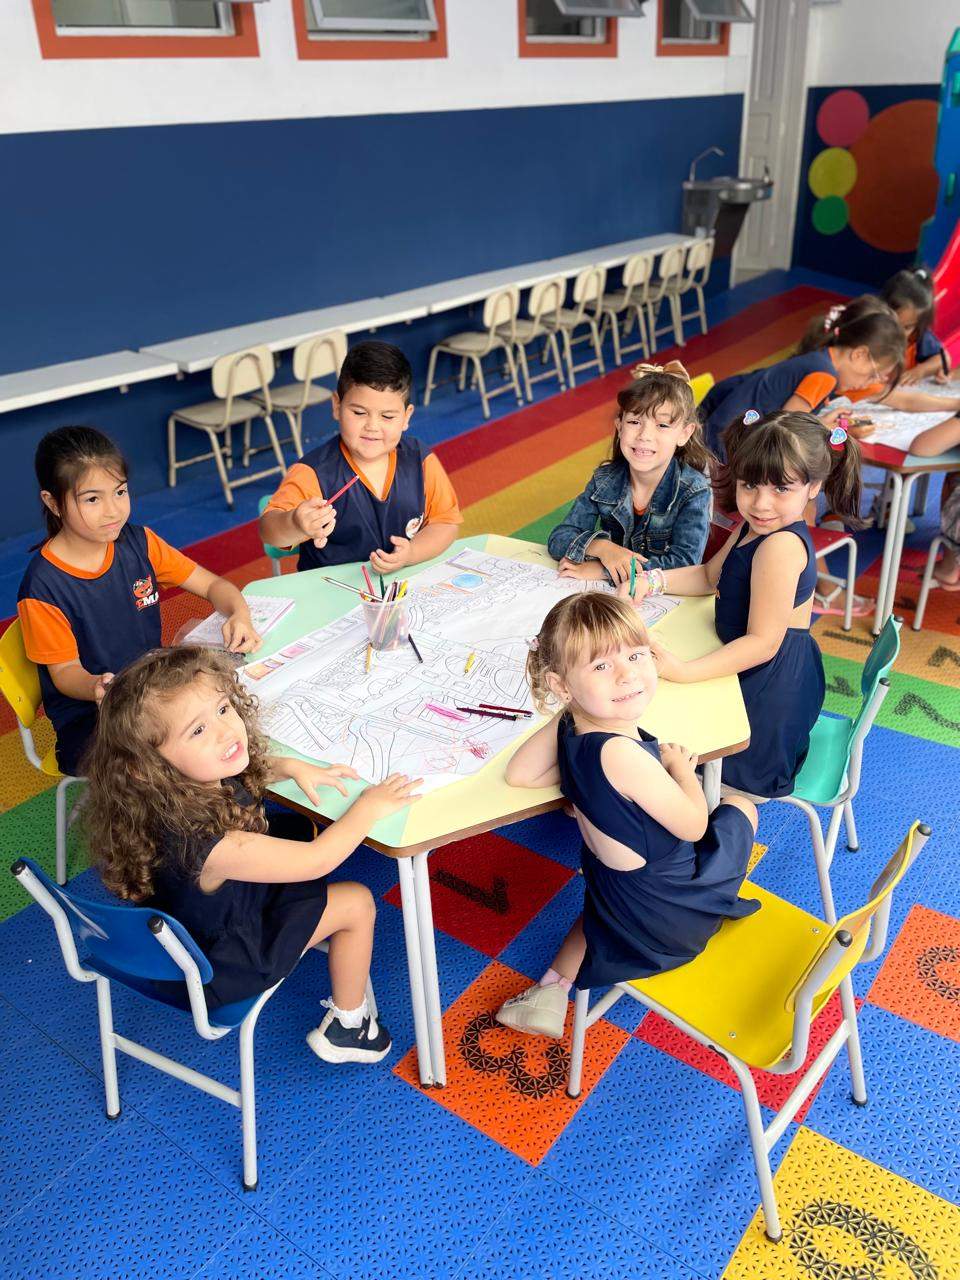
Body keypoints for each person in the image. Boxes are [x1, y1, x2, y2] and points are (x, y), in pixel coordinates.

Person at [85, 646, 422, 1062]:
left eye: (223, 709)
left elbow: (246, 769)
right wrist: (368, 807)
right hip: (226, 963)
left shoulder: (170, 794)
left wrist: (290, 767)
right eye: (197, 730)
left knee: (295, 828)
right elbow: (318, 860)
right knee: (356, 902)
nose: (226, 732)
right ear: (151, 765)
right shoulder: (212, 844)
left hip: (200, 924)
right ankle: (348, 1027)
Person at [494, 593, 758, 1040]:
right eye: (601, 666)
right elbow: (695, 826)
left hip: (617, 904)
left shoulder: (575, 730)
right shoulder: (620, 753)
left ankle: (551, 991)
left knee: (602, 904)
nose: (627, 674)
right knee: (740, 808)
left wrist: (572, 701)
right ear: (561, 684)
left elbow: (520, 774)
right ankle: (705, 913)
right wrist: (682, 770)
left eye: (636, 655)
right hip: (671, 920)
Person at [632, 410, 865, 798]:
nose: (761, 503)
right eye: (749, 485)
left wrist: (684, 672)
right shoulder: (754, 525)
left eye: (781, 489)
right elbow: (709, 577)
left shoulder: (780, 546)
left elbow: (762, 643)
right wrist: (652, 581)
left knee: (649, 737)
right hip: (753, 668)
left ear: (813, 487)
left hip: (767, 693)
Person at [17, 426, 260, 777]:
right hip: (93, 720)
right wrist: (97, 686)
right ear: (53, 502)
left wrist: (239, 613)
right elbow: (65, 673)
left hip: (155, 693)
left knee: (231, 714)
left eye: (120, 492)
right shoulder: (43, 587)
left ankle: (229, 800)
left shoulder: (139, 542)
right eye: (92, 499)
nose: (113, 511)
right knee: (188, 750)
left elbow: (213, 585)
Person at [259, 340, 462, 575]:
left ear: (406, 417)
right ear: (337, 406)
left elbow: (445, 523)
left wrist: (411, 553)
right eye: (358, 412)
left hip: (402, 584)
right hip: (333, 591)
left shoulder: (420, 460)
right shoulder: (313, 473)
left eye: (387, 416)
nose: (372, 427)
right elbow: (269, 532)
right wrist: (295, 522)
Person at [547, 361, 712, 586]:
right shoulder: (604, 480)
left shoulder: (693, 491)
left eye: (662, 425)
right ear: (620, 426)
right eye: (634, 421)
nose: (644, 435)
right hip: (612, 596)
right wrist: (602, 548)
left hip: (663, 596)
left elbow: (685, 564)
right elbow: (559, 538)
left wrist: (606, 570)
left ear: (684, 434)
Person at [701, 296, 905, 459]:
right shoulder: (825, 376)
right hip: (727, 449)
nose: (868, 383)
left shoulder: (820, 358)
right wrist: (834, 430)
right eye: (872, 375)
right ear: (859, 354)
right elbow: (789, 429)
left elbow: (790, 416)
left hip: (723, 434)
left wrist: (821, 422)